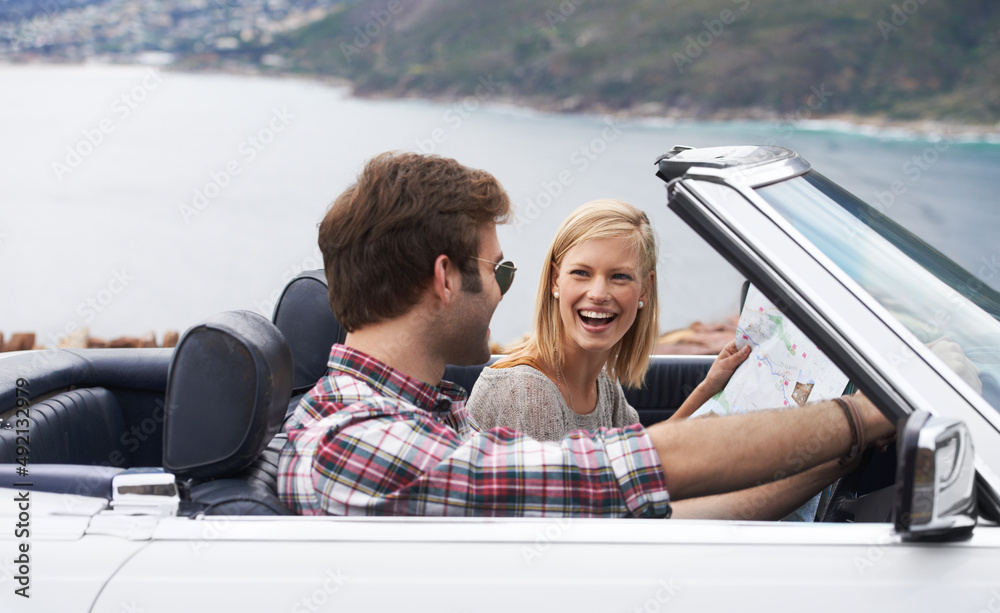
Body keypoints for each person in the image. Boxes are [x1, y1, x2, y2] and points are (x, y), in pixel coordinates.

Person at [277, 150, 894, 519]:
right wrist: (869, 413)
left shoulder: (423, 413)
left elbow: (633, 493)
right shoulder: (355, 444)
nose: (501, 293)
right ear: (445, 278)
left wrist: (828, 456)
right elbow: (633, 469)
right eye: (498, 271)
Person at [467, 199, 750, 441]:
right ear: (555, 280)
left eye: (619, 277)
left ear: (645, 290)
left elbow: (639, 454)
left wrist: (709, 386)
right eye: (581, 273)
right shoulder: (526, 391)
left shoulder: (603, 384)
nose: (598, 294)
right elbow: (578, 502)